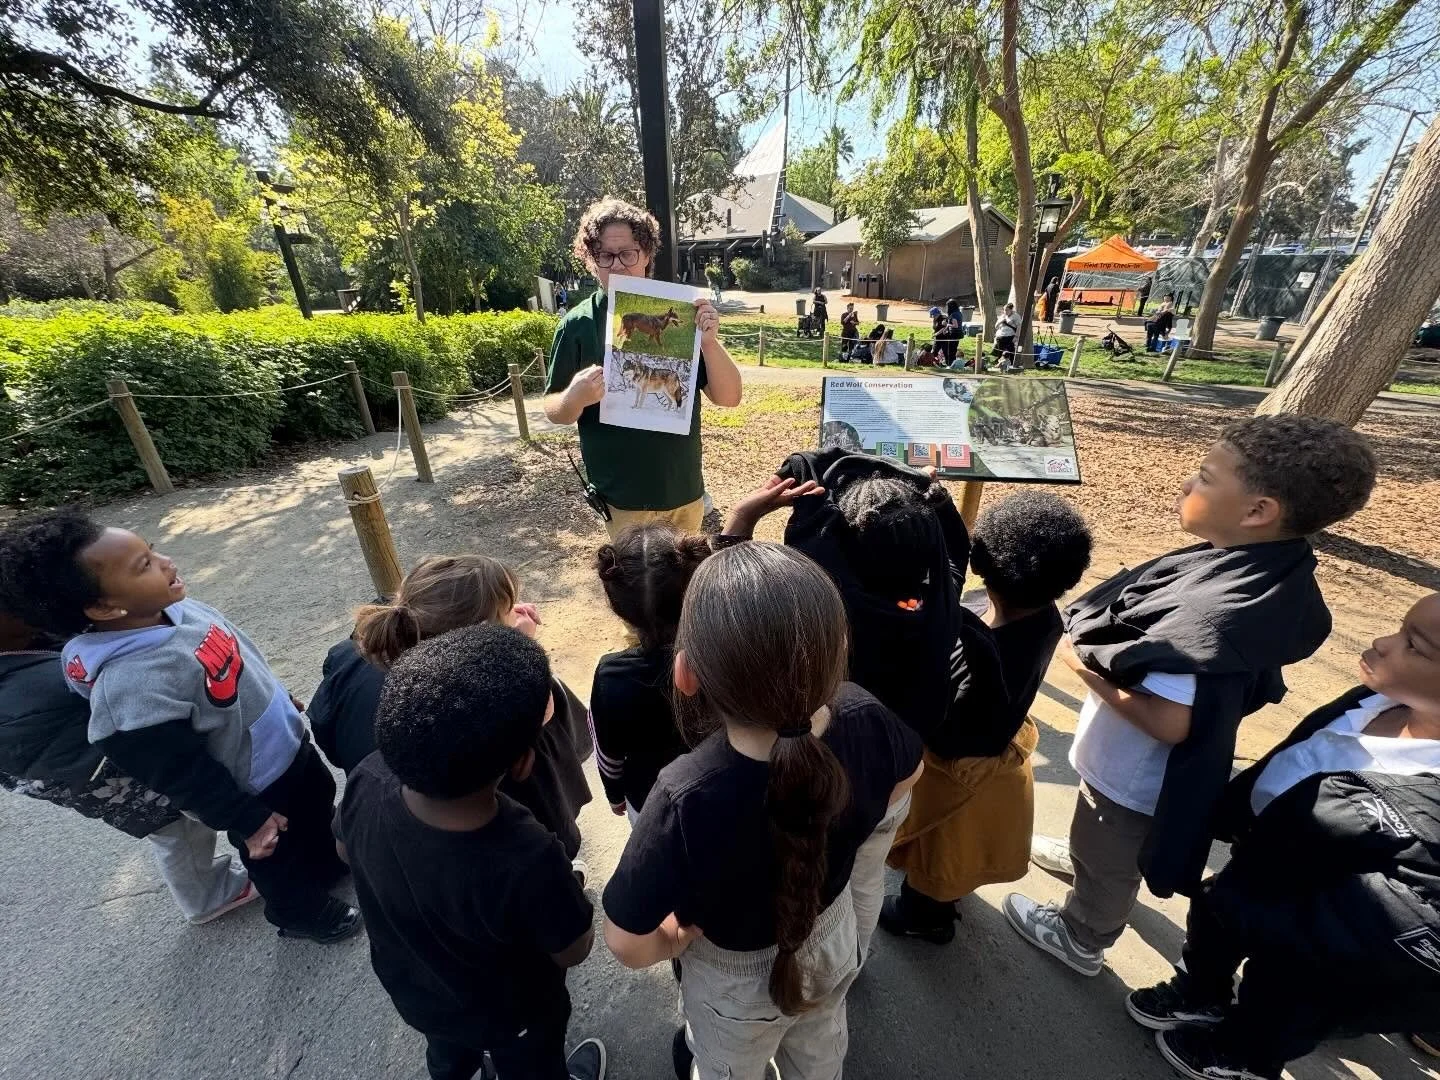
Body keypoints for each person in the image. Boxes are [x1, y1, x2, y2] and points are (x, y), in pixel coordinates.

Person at [1005, 415, 1378, 977]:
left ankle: (1084, 932)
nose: (1187, 485)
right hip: (1142, 775)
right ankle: (1098, 867)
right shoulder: (1267, 572)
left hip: (1132, 776)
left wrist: (1083, 668)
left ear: (1258, 511)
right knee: (1103, 837)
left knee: (1107, 841)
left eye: (1205, 477)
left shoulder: (1207, 621)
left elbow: (1170, 723)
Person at [602, 543, 923, 1080]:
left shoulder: (684, 796)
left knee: (731, 1067)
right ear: (839, 648)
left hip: (732, 979)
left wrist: (674, 941)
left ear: (685, 675)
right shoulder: (864, 713)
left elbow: (626, 942)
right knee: (821, 1048)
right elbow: (908, 776)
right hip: (832, 934)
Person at [0, 511, 361, 943]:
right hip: (251, 784)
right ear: (104, 607)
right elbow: (176, 771)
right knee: (273, 853)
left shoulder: (174, 610)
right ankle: (299, 912)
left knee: (315, 803)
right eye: (145, 565)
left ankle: (324, 861)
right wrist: (245, 818)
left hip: (279, 741)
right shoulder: (130, 688)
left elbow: (236, 657)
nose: (167, 561)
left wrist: (275, 695)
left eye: (150, 549)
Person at [1127, 593, 1440, 1080]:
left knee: (1283, 990)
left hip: (1323, 915)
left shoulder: (1430, 802)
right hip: (1263, 849)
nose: (1381, 642)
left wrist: (1304, 937)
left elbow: (1396, 916)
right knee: (1214, 915)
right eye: (1398, 629)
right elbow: (1301, 748)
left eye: (1413, 645)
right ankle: (1203, 992)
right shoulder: (1374, 700)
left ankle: (1246, 1053)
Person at [338, 624, 607, 1080]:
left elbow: (346, 851)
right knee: (533, 1069)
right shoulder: (526, 852)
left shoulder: (369, 776)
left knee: (446, 1054)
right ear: (524, 761)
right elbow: (573, 948)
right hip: (513, 1015)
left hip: (417, 990)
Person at [882, 492, 1094, 943]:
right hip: (992, 748)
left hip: (958, 766)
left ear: (982, 565)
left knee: (940, 852)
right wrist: (940, 503)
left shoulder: (983, 646)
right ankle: (941, 898)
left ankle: (926, 916)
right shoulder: (1044, 618)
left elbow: (947, 709)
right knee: (957, 854)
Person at [308, 555, 592, 862]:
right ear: (479, 637)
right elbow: (539, 713)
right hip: (462, 829)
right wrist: (520, 649)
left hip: (379, 807)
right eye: (507, 610)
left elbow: (324, 727)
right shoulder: (469, 702)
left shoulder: (346, 655)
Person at [0, 603, 255, 925]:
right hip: (103, 770)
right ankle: (207, 897)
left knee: (183, 819)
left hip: (99, 754)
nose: (22, 599)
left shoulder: (27, 635)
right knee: (176, 829)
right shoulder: (19, 701)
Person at [543, 198, 743, 539]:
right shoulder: (577, 325)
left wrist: (708, 341)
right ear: (590, 260)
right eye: (605, 255)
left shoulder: (684, 312)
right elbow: (553, 410)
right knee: (635, 588)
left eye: (628, 253)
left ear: (647, 255)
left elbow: (729, 397)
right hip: (621, 498)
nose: (617, 265)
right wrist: (574, 399)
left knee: (683, 585)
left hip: (683, 491)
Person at [589, 524, 712, 818]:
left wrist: (615, 794)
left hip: (648, 800)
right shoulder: (720, 656)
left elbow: (608, 751)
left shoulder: (611, 676)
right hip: (716, 792)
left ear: (617, 607)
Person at [994, 302, 1019, 370]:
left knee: (1010, 351)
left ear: (1011, 310)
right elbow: (996, 326)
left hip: (1010, 336)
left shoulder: (1015, 316)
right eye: (1004, 310)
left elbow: (1019, 326)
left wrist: (1016, 336)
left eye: (1007, 310)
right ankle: (1000, 364)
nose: (1005, 311)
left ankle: (1010, 364)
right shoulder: (1002, 316)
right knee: (1000, 352)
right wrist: (1001, 321)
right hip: (1000, 336)